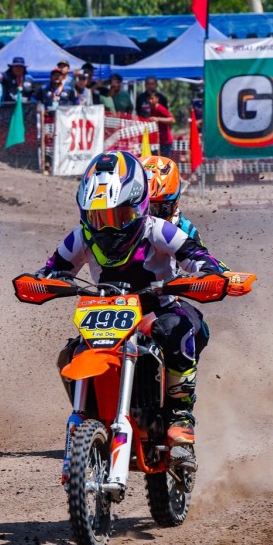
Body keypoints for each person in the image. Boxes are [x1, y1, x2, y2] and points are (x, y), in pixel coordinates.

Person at [36, 150, 227, 471]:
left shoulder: (158, 229)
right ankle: (90, 416)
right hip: (108, 313)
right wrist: (41, 282)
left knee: (178, 331)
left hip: (157, 309)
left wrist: (209, 273)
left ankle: (180, 416)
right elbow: (54, 268)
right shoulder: (82, 236)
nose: (108, 227)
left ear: (138, 208)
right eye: (100, 217)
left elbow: (195, 255)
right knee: (70, 354)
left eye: (118, 216)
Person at [142, 154, 226, 268]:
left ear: (174, 203)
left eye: (159, 209)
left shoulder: (183, 227)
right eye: (143, 208)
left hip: (162, 278)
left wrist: (227, 274)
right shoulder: (120, 223)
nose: (150, 217)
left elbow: (204, 259)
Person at [139, 91, 175, 156]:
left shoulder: (160, 109)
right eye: (148, 99)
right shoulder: (151, 109)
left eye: (152, 98)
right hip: (158, 141)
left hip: (165, 141)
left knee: (165, 160)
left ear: (157, 99)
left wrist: (158, 119)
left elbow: (172, 120)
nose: (150, 101)